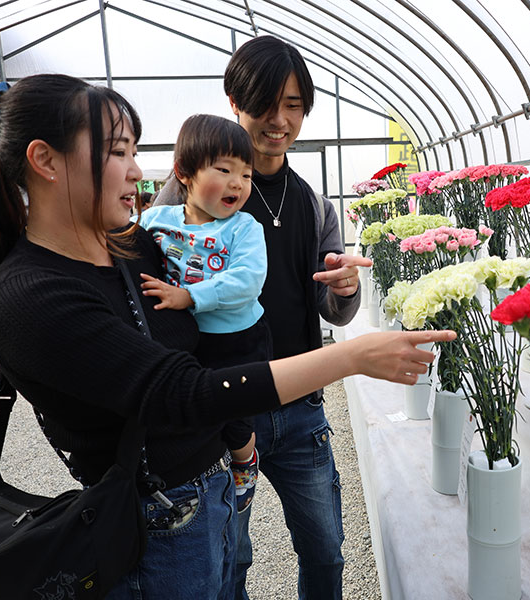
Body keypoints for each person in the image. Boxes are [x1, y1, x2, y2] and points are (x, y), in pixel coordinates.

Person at [0, 74, 453, 600]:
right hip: (156, 528)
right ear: (46, 161)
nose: (137, 171)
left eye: (135, 151)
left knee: (305, 553)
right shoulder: (31, 296)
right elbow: (181, 391)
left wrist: (237, 438)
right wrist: (351, 357)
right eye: (118, 152)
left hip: (211, 489)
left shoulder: (134, 248)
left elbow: (208, 336)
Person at [155, 35, 371, 599]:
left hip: (300, 408)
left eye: (294, 106)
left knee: (325, 547)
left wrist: (345, 287)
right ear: (235, 99)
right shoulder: (185, 197)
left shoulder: (312, 202)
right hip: (222, 407)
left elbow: (332, 310)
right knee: (229, 555)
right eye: (266, 104)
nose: (279, 120)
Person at [135, 114, 269, 512]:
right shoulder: (155, 221)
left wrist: (189, 297)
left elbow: (248, 280)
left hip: (236, 340)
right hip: (185, 338)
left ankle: (246, 460)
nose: (237, 183)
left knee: (235, 415)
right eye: (224, 169)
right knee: (196, 409)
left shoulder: (244, 228)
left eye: (246, 175)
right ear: (184, 173)